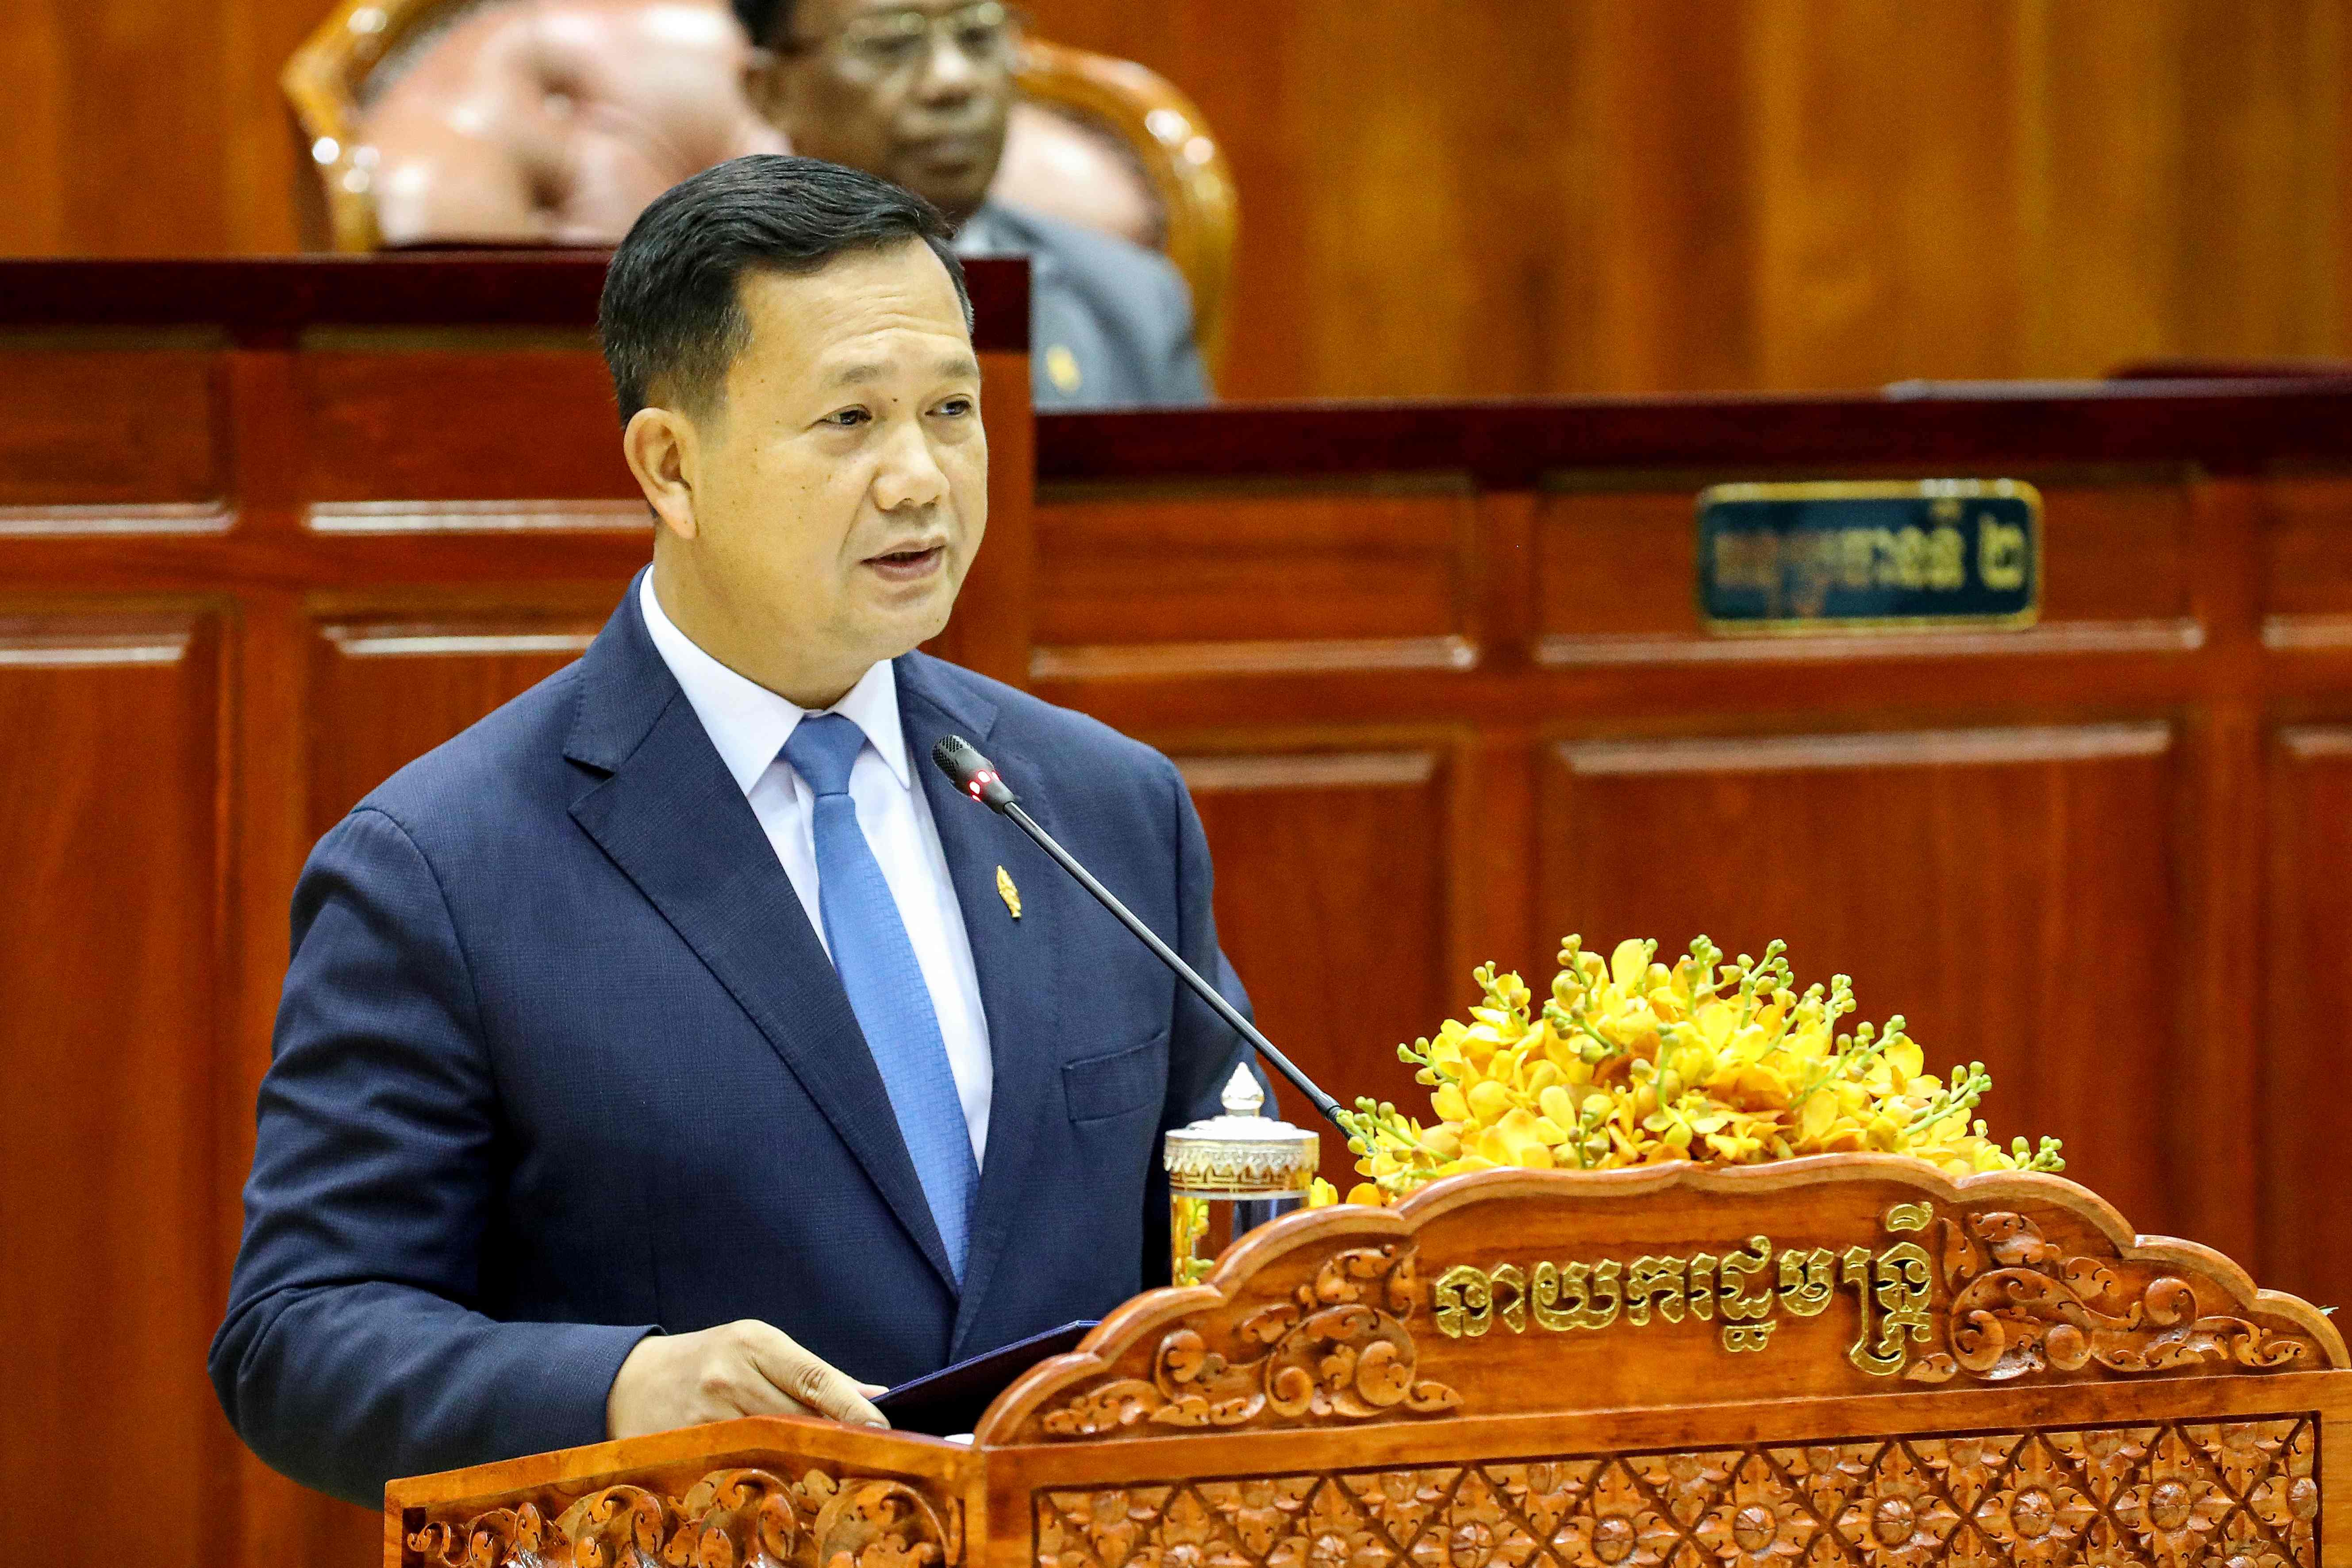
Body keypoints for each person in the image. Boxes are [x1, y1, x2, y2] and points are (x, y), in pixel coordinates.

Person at [208, 154, 1252, 1506]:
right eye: (849, 420)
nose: (920, 478)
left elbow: (1230, 1235)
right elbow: (297, 1336)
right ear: (670, 465)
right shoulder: (444, 867)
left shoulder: (1103, 806)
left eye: (951, 409)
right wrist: (623, 1386)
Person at [735, 0, 1211, 408]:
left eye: (979, 33)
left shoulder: (1131, 299)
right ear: (772, 90)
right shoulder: (699, 296)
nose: (952, 80)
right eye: (890, 43)